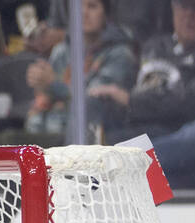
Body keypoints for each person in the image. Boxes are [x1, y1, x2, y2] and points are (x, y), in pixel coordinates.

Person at [24, 0, 135, 143]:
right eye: (79, 7)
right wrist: (41, 87)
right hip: (54, 131)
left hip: (95, 136)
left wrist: (53, 83)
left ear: (106, 14)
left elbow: (94, 100)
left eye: (92, 6)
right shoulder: (61, 51)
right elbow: (46, 99)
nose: (84, 13)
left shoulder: (120, 54)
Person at [103, 0, 195, 141]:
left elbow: (189, 104)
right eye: (184, 6)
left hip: (174, 136)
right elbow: (126, 87)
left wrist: (131, 101)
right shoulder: (153, 46)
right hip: (135, 129)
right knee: (95, 103)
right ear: (173, 9)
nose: (190, 15)